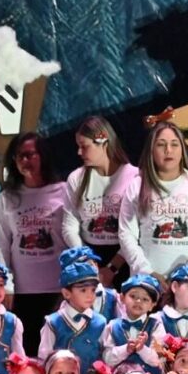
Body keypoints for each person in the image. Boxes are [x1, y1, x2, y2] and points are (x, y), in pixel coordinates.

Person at [0, 131, 70, 333]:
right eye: (20, 156)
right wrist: (5, 286)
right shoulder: (8, 197)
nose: (25, 160)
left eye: (30, 154)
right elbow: (0, 245)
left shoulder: (65, 191)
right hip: (22, 293)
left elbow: (74, 242)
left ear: (42, 156)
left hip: (59, 290)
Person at [118, 121, 188, 277]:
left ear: (182, 149)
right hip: (145, 281)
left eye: (174, 144)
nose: (168, 150)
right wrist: (146, 271)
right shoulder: (137, 185)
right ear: (151, 150)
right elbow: (126, 235)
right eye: (161, 145)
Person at [63, 117, 140, 274]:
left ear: (104, 143)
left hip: (125, 257)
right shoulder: (76, 178)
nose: (79, 152)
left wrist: (112, 268)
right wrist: (85, 257)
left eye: (84, 146)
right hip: (90, 255)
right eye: (78, 146)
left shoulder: (135, 176)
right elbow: (69, 225)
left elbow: (140, 228)